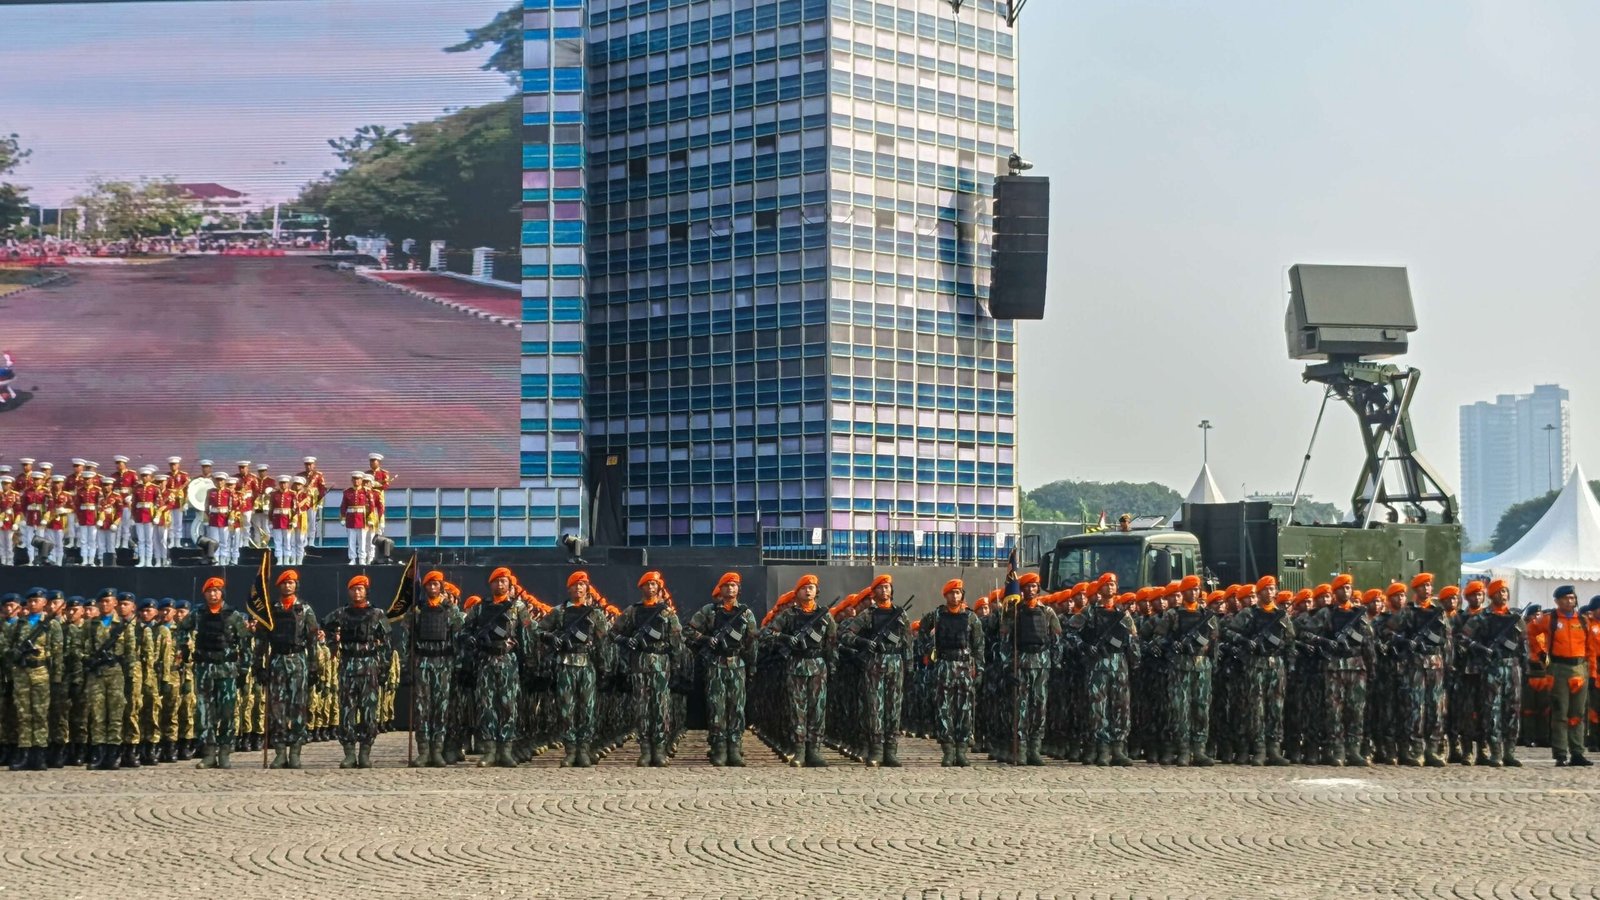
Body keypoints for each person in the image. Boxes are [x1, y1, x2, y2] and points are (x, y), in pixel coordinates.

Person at [762, 572, 836, 767]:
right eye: (804, 587)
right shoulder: (789, 615)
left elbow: (832, 642)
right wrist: (786, 639)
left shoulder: (825, 616)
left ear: (816, 591)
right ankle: (799, 750)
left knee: (817, 710)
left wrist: (832, 666)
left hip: (818, 665)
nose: (808, 590)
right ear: (798, 592)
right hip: (796, 664)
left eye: (811, 587)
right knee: (797, 709)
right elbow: (767, 633)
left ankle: (814, 750)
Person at [1063, 574, 1138, 766]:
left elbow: (1133, 637)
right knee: (1099, 707)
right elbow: (1070, 632)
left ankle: (1118, 748)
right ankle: (1103, 748)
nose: (1111, 588)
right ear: (1099, 588)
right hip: (1098, 664)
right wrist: (1085, 647)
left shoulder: (1123, 613)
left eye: (1113, 584)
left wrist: (1133, 657)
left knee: (1121, 706)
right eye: (1107, 584)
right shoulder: (1090, 612)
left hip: (1119, 663)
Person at [539, 571, 612, 768]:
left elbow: (603, 641)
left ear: (587, 588)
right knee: (566, 709)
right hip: (565, 664)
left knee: (587, 709)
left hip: (586, 664)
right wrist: (551, 638)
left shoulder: (595, 614)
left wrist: (605, 667)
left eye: (582, 585)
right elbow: (539, 630)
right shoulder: (559, 612)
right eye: (575, 585)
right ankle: (570, 750)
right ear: (569, 588)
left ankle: (584, 750)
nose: (579, 588)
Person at [838, 573, 911, 767]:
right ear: (874, 592)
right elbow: (845, 635)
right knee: (875, 707)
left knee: (894, 708)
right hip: (875, 663)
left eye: (887, 587)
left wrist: (909, 666)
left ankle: (891, 750)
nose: (884, 590)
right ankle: (876, 749)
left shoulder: (900, 614)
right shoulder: (868, 614)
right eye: (880, 587)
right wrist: (863, 642)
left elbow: (907, 642)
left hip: (895, 662)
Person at [686, 572, 758, 767]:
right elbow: (689, 630)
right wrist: (706, 639)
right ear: (720, 589)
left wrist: (751, 666)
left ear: (738, 589)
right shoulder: (709, 611)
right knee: (716, 707)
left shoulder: (745, 613)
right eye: (726, 585)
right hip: (716, 664)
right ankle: (719, 747)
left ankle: (734, 747)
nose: (730, 588)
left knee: (736, 708)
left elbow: (752, 640)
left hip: (737, 664)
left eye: (734, 585)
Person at [463, 568, 533, 768]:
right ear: (491, 584)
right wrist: (468, 639)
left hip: (508, 661)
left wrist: (529, 663)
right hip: (486, 661)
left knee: (508, 707)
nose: (500, 585)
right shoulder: (479, 608)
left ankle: (506, 751)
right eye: (497, 581)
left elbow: (527, 635)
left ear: (509, 585)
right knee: (487, 707)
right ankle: (490, 751)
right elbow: (465, 629)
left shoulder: (518, 607)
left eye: (504, 581)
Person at [176, 578, 249, 769]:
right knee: (203, 712)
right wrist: (184, 647)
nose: (213, 594)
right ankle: (208, 752)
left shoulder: (233, 615)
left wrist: (244, 669)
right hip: (204, 669)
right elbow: (181, 629)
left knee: (226, 712)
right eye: (209, 591)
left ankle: (224, 752)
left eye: (217, 590)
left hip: (226, 669)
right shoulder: (198, 614)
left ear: (222, 593)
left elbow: (245, 642)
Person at [612, 571, 682, 767]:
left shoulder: (667, 613)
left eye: (654, 585)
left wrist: (676, 667)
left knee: (661, 708)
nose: (651, 588)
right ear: (641, 587)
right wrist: (628, 641)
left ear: (658, 587)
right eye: (647, 585)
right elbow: (613, 633)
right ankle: (644, 750)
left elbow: (676, 641)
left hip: (661, 663)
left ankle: (659, 750)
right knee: (642, 708)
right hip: (640, 664)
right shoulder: (632, 612)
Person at [254, 569, 321, 769]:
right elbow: (261, 640)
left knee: (298, 706)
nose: (287, 586)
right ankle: (280, 752)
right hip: (277, 661)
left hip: (298, 660)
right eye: (284, 583)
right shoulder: (270, 610)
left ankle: (295, 752)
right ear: (279, 586)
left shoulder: (305, 609)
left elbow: (312, 640)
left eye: (291, 583)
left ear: (296, 585)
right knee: (277, 708)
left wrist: (314, 667)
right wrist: (259, 666)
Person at [1224, 583, 1295, 765]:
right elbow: (1228, 632)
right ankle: (1259, 748)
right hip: (1255, 663)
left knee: (1276, 708)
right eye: (1266, 590)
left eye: (1273, 589)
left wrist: (1289, 663)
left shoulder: (1281, 615)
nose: (1270, 593)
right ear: (1260, 592)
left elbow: (1290, 640)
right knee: (1256, 708)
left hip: (1276, 664)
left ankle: (1274, 748)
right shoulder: (1249, 614)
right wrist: (1245, 641)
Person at [1457, 579, 1525, 767]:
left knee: (1513, 710)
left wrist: (1524, 666)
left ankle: (1510, 751)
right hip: (1492, 667)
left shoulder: (1515, 617)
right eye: (1499, 592)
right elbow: (1462, 638)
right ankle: (1495, 752)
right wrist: (1481, 649)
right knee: (1492, 710)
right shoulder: (1482, 617)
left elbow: (1523, 644)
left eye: (1505, 591)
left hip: (1512, 667)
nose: (1503, 595)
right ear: (1492, 595)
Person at [327, 574, 391, 769]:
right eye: (354, 589)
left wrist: (384, 668)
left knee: (369, 713)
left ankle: (365, 753)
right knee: (347, 711)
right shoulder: (341, 614)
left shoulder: (377, 614)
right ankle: (349, 754)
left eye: (360, 589)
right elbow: (324, 626)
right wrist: (333, 643)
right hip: (348, 665)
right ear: (349, 592)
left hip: (369, 665)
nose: (357, 592)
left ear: (366, 591)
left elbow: (387, 642)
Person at [997, 572, 1061, 766]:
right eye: (1027, 587)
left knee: (1039, 707)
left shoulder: (1048, 612)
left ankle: (1035, 748)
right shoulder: (1014, 612)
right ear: (1022, 589)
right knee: (1021, 707)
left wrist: (1056, 664)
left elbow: (1056, 639)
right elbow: (1005, 642)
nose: (1031, 590)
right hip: (1021, 663)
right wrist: (1008, 667)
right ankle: (1021, 749)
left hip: (1041, 663)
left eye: (1034, 587)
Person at [1528, 585, 1593, 766]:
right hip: (1558, 669)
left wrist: (1590, 667)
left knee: (1578, 714)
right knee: (1560, 713)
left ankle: (1578, 752)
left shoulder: (1583, 620)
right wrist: (1540, 653)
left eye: (1572, 598)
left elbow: (1590, 646)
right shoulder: (1550, 619)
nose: (1569, 601)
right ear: (1556, 601)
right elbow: (1531, 631)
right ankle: (1560, 753)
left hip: (1580, 669)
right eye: (1565, 598)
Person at [406, 570, 463, 768]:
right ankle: (423, 751)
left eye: (436, 584)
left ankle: (437, 751)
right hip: (422, 663)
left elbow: (458, 640)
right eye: (429, 585)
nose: (432, 587)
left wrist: (458, 665)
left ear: (441, 587)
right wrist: (408, 665)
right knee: (422, 709)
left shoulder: (452, 611)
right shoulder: (416, 611)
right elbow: (408, 640)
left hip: (444, 664)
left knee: (441, 709)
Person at [0, 588, 62, 770]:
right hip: (21, 673)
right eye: (30, 601)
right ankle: (24, 751)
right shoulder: (18, 624)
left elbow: (57, 654)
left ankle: (39, 753)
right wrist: (17, 655)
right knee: (23, 714)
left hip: (41, 672)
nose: (33, 604)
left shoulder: (51, 625)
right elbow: (6, 650)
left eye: (37, 600)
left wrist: (56, 679)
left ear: (44, 603)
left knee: (40, 714)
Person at [926, 579, 985, 767]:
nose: (955, 596)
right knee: (944, 709)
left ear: (962, 595)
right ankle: (948, 751)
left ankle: (961, 751)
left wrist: (980, 669)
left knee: (965, 710)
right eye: (952, 593)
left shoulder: (971, 618)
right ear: (945, 595)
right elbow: (921, 634)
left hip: (964, 667)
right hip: (944, 665)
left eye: (958, 592)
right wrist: (929, 648)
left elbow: (978, 645)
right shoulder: (936, 615)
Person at [80, 589, 136, 770]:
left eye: (108, 601)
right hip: (96, 674)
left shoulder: (124, 625)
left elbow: (130, 653)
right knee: (97, 714)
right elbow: (79, 647)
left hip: (115, 673)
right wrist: (86, 658)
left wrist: (130, 678)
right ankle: (98, 752)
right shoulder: (90, 625)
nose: (104, 605)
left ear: (115, 604)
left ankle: (113, 753)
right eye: (101, 601)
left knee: (115, 714)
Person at [339, 472, 374, 566]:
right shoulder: (347, 491)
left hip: (362, 518)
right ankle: (352, 558)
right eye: (354, 479)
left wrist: (369, 518)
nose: (356, 481)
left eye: (358, 479)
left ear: (362, 480)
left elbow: (371, 506)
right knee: (351, 540)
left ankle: (362, 558)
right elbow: (343, 506)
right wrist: (343, 517)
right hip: (350, 518)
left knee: (362, 540)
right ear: (351, 480)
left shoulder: (366, 491)